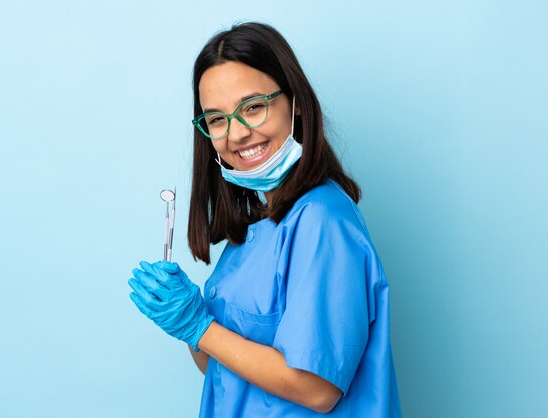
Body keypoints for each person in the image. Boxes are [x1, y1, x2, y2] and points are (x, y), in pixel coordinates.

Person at [128, 22, 402, 417]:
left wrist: (200, 327)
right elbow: (219, 368)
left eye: (253, 107)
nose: (236, 133)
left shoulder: (322, 220)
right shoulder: (255, 229)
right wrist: (191, 322)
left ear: (297, 104)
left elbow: (317, 388)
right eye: (217, 119)